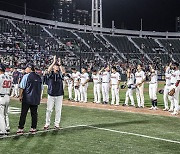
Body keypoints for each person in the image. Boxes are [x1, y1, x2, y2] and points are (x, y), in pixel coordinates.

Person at [16, 64, 42, 135]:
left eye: (26, 68)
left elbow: (22, 87)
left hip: (27, 98)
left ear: (30, 68)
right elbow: (41, 89)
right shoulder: (39, 77)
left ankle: (20, 128)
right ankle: (33, 128)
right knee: (34, 114)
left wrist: (20, 96)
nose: (25, 69)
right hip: (35, 98)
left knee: (23, 113)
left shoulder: (26, 76)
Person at [44, 56, 65, 130]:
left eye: (57, 66)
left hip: (59, 94)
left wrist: (60, 64)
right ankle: (47, 124)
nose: (57, 67)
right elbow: (48, 71)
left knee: (58, 110)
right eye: (56, 66)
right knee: (49, 109)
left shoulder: (60, 74)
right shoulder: (51, 74)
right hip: (51, 94)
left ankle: (57, 124)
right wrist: (53, 62)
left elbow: (63, 72)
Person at [0, 64, 13, 136]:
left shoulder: (0, 77)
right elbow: (11, 88)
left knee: (1, 115)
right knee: (5, 114)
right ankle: (7, 128)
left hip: (1, 96)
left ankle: (3, 131)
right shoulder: (9, 77)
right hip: (7, 96)